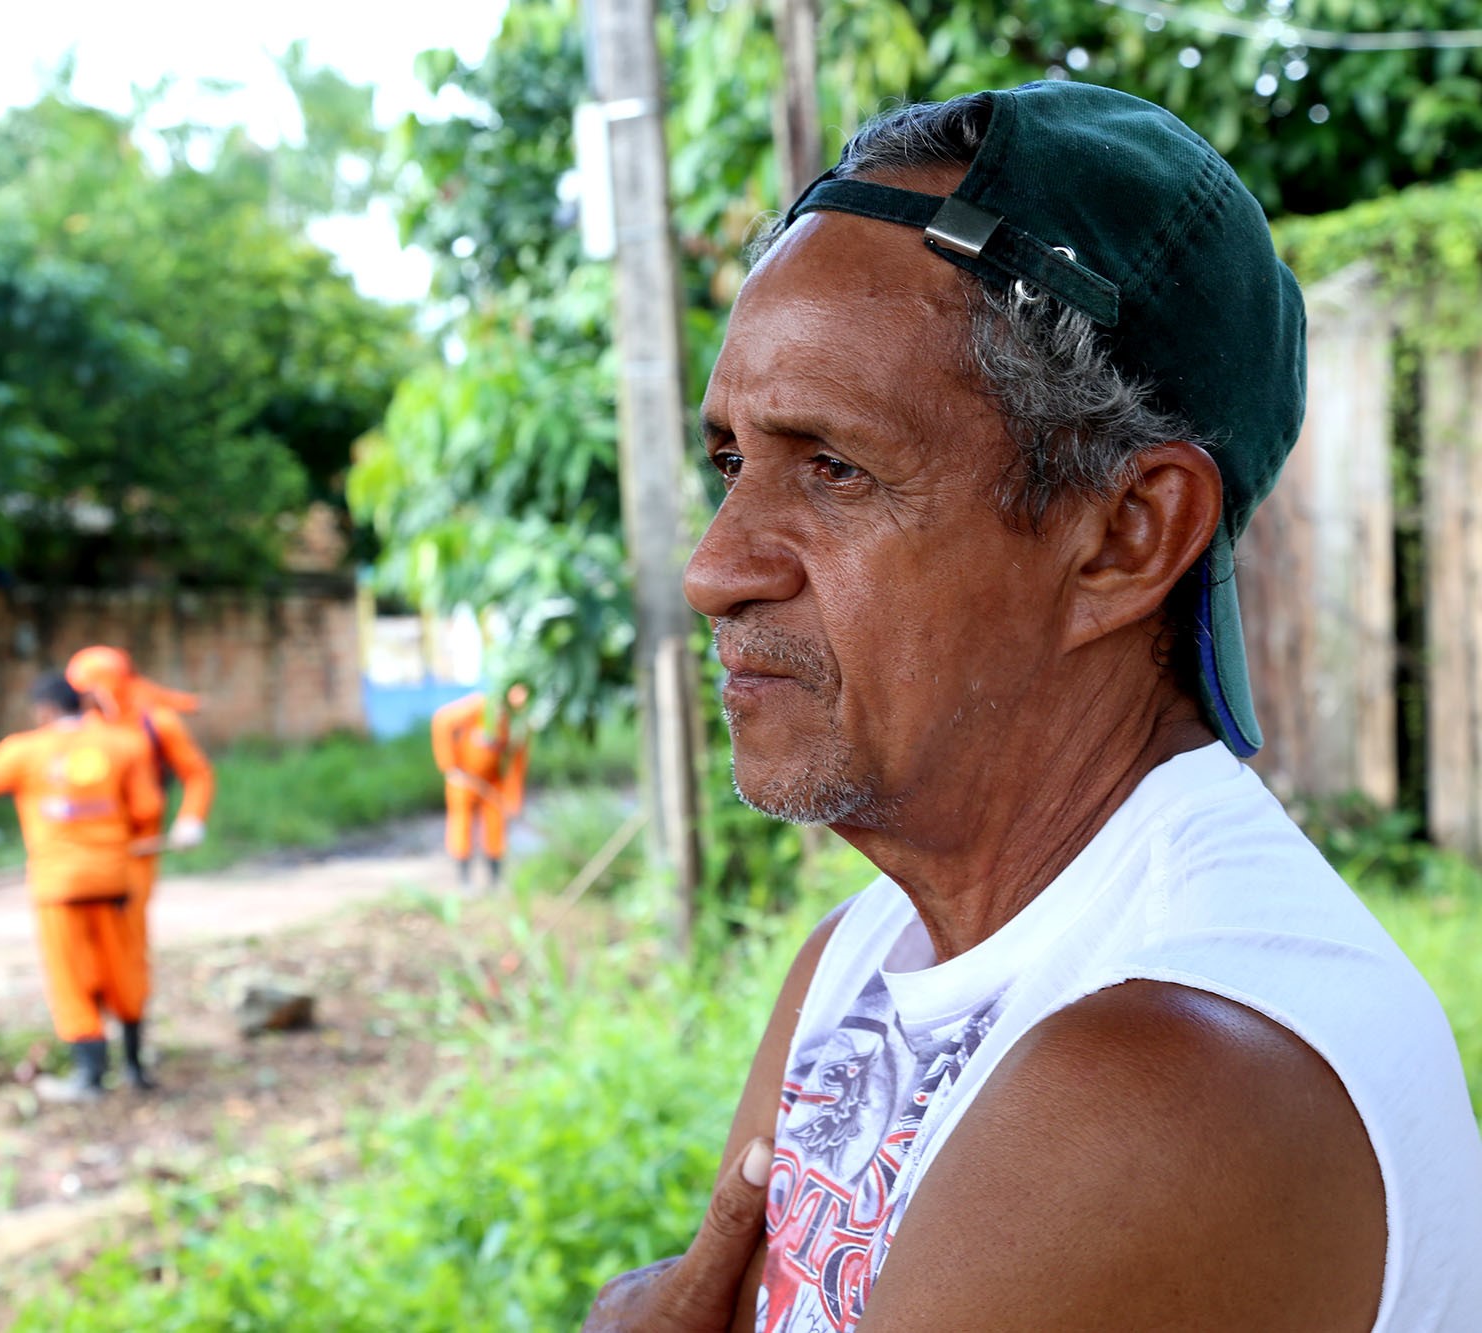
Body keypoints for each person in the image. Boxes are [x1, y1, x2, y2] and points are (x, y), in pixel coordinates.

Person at [584, 83, 1482, 1332]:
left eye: (833, 467)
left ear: (1124, 536)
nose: (717, 568)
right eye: (733, 460)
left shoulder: (1169, 1085)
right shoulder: (862, 957)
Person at [0, 671, 159, 1101]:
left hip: (60, 887)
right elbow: (147, 809)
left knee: (72, 979)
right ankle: (136, 1069)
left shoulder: (27, 751)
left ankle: (89, 1077)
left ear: (45, 710)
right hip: (115, 879)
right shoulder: (124, 745)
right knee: (124, 970)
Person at [65, 645, 215, 1085]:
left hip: (135, 855)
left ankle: (132, 1055)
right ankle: (90, 1053)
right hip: (83, 858)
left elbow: (197, 774)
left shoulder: (156, 722)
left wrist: (190, 820)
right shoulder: (79, 731)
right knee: (80, 952)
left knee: (126, 947)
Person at [430, 683, 530, 888]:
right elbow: (442, 721)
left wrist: (513, 800)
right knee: (462, 825)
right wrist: (449, 766)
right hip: (463, 777)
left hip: (493, 780)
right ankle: (464, 879)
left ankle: (495, 881)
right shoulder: (479, 706)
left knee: (496, 825)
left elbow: (516, 765)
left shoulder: (518, 725)